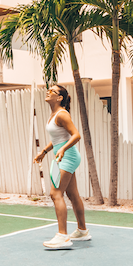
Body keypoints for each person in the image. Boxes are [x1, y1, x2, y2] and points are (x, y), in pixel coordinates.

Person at [34, 83, 90, 250]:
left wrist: (64, 149)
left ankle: (63, 236)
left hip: (67, 156)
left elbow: (76, 135)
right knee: (72, 194)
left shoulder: (62, 114)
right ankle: (82, 231)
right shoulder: (54, 114)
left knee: (55, 193)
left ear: (59, 98)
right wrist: (44, 151)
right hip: (63, 155)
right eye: (49, 89)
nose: (48, 91)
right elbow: (59, 138)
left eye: (53, 91)